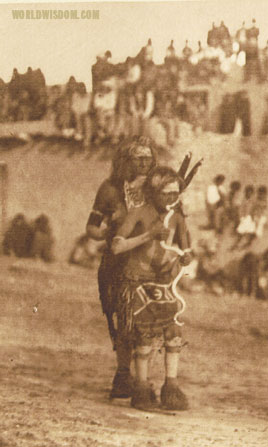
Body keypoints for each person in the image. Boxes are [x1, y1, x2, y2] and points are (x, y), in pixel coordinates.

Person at [111, 166, 192, 411]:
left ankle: (171, 386)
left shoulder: (177, 217)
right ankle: (142, 389)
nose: (172, 199)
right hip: (135, 282)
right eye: (166, 194)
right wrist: (148, 235)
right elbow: (116, 247)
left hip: (160, 284)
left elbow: (184, 247)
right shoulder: (138, 213)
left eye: (175, 194)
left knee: (174, 332)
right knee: (144, 337)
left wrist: (183, 258)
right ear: (153, 193)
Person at [85, 136, 157, 399]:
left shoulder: (156, 187)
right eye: (138, 157)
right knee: (124, 321)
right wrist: (109, 229)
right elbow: (91, 228)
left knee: (148, 323)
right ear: (126, 159)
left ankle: (142, 379)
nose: (143, 163)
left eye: (148, 157)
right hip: (117, 264)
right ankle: (123, 373)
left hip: (150, 264)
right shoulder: (110, 189)